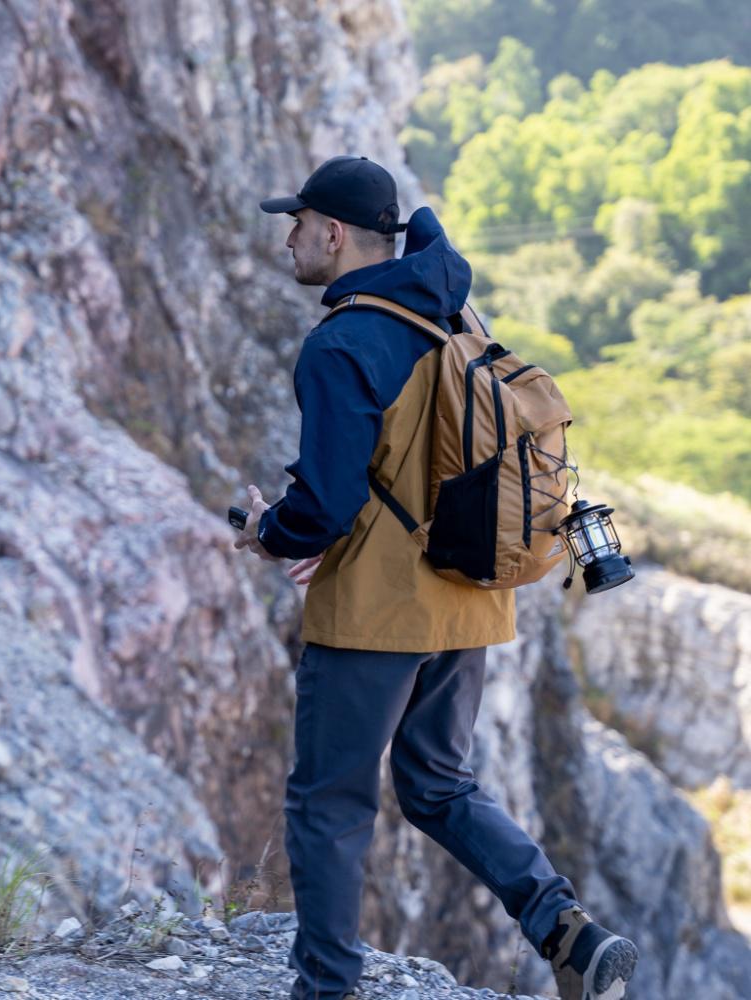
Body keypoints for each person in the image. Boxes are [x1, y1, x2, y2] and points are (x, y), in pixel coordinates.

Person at [233, 155, 639, 1000]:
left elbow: (328, 502)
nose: (289, 239)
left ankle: (325, 988)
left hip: (376, 615)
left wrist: (269, 530)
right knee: (439, 785)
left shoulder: (342, 341)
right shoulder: (451, 312)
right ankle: (566, 929)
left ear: (334, 234)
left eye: (297, 224)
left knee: (329, 802)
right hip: (468, 598)